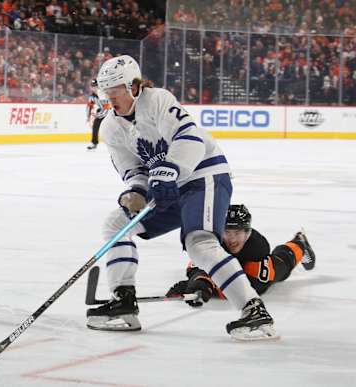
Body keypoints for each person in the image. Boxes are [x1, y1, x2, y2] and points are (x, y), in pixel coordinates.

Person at [86, 55, 278, 341]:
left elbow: (190, 137)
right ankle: (124, 303)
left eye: (116, 92)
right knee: (117, 225)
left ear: (135, 87)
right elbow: (133, 170)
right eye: (107, 93)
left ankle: (254, 312)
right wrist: (137, 192)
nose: (110, 99)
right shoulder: (111, 127)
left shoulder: (157, 100)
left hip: (204, 173)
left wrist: (170, 172)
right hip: (168, 183)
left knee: (199, 242)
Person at [166, 204, 316, 305]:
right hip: (235, 264)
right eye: (227, 232)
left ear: (247, 233)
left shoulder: (257, 247)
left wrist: (210, 286)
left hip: (252, 265)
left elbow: (252, 288)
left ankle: (300, 243)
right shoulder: (215, 241)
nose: (231, 238)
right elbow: (197, 264)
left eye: (237, 232)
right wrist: (199, 281)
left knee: (281, 266)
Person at [86, 78, 110, 150]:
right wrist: (88, 116)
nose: (94, 88)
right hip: (102, 111)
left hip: (111, 112)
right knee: (95, 126)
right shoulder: (92, 97)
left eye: (96, 86)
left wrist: (99, 115)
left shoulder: (103, 94)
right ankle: (94, 142)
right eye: (92, 86)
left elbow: (107, 108)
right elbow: (89, 107)